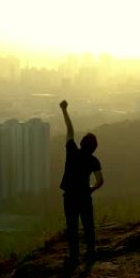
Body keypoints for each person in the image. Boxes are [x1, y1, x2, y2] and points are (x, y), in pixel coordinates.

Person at [59, 99, 104, 266]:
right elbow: (100, 181)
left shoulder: (72, 151)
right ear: (94, 147)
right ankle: (91, 252)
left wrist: (64, 110)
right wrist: (91, 189)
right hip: (84, 196)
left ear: (82, 143)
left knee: (72, 228)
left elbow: (70, 130)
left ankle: (74, 257)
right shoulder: (94, 161)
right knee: (88, 226)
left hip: (70, 196)